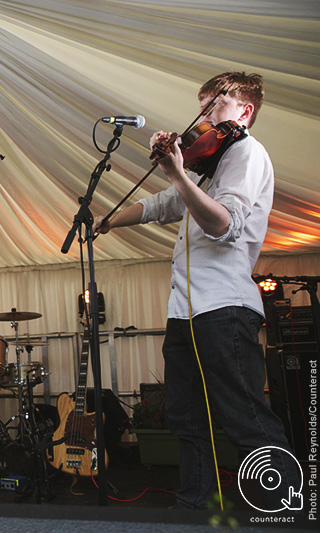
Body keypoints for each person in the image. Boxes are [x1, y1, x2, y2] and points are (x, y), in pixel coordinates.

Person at [94, 72, 300, 511]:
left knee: (244, 416)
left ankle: (282, 510)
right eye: (201, 104)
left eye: (215, 103)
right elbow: (160, 204)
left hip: (225, 307)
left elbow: (224, 225)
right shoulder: (208, 166)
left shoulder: (246, 152)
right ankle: (193, 506)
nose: (203, 115)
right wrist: (109, 219)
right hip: (184, 312)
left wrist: (179, 174)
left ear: (244, 110)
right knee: (186, 418)